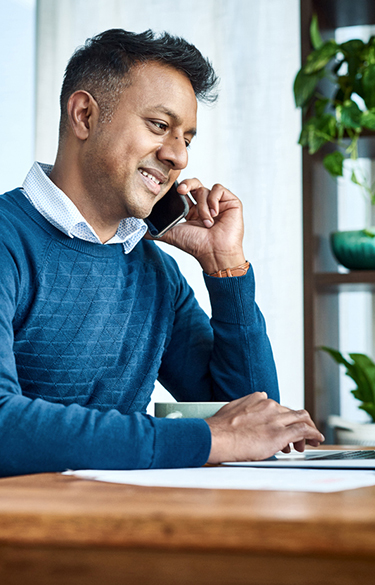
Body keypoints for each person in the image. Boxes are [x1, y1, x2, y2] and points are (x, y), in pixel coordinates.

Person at [0, 29, 324, 477]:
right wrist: (213, 436)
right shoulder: (6, 239)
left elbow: (250, 421)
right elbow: (4, 427)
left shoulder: (157, 273)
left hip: (132, 527)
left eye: (187, 139)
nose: (178, 157)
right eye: (160, 126)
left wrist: (225, 268)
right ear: (84, 115)